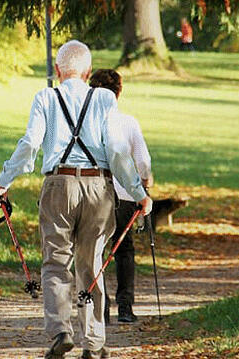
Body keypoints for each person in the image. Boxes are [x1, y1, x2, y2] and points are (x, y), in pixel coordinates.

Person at [0, 40, 152, 359]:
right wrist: (138, 193)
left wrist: (3, 182)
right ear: (88, 72)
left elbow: (30, 144)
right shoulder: (104, 98)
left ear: (58, 70)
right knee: (92, 263)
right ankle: (93, 341)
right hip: (97, 187)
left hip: (58, 184)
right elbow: (117, 153)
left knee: (55, 261)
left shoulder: (45, 97)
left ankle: (61, 331)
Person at [88, 69, 152, 324]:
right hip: (125, 193)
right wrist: (145, 183)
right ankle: (125, 307)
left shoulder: (87, 124)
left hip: (94, 192)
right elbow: (143, 160)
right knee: (124, 250)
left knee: (95, 249)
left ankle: (99, 309)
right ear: (119, 92)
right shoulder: (127, 122)